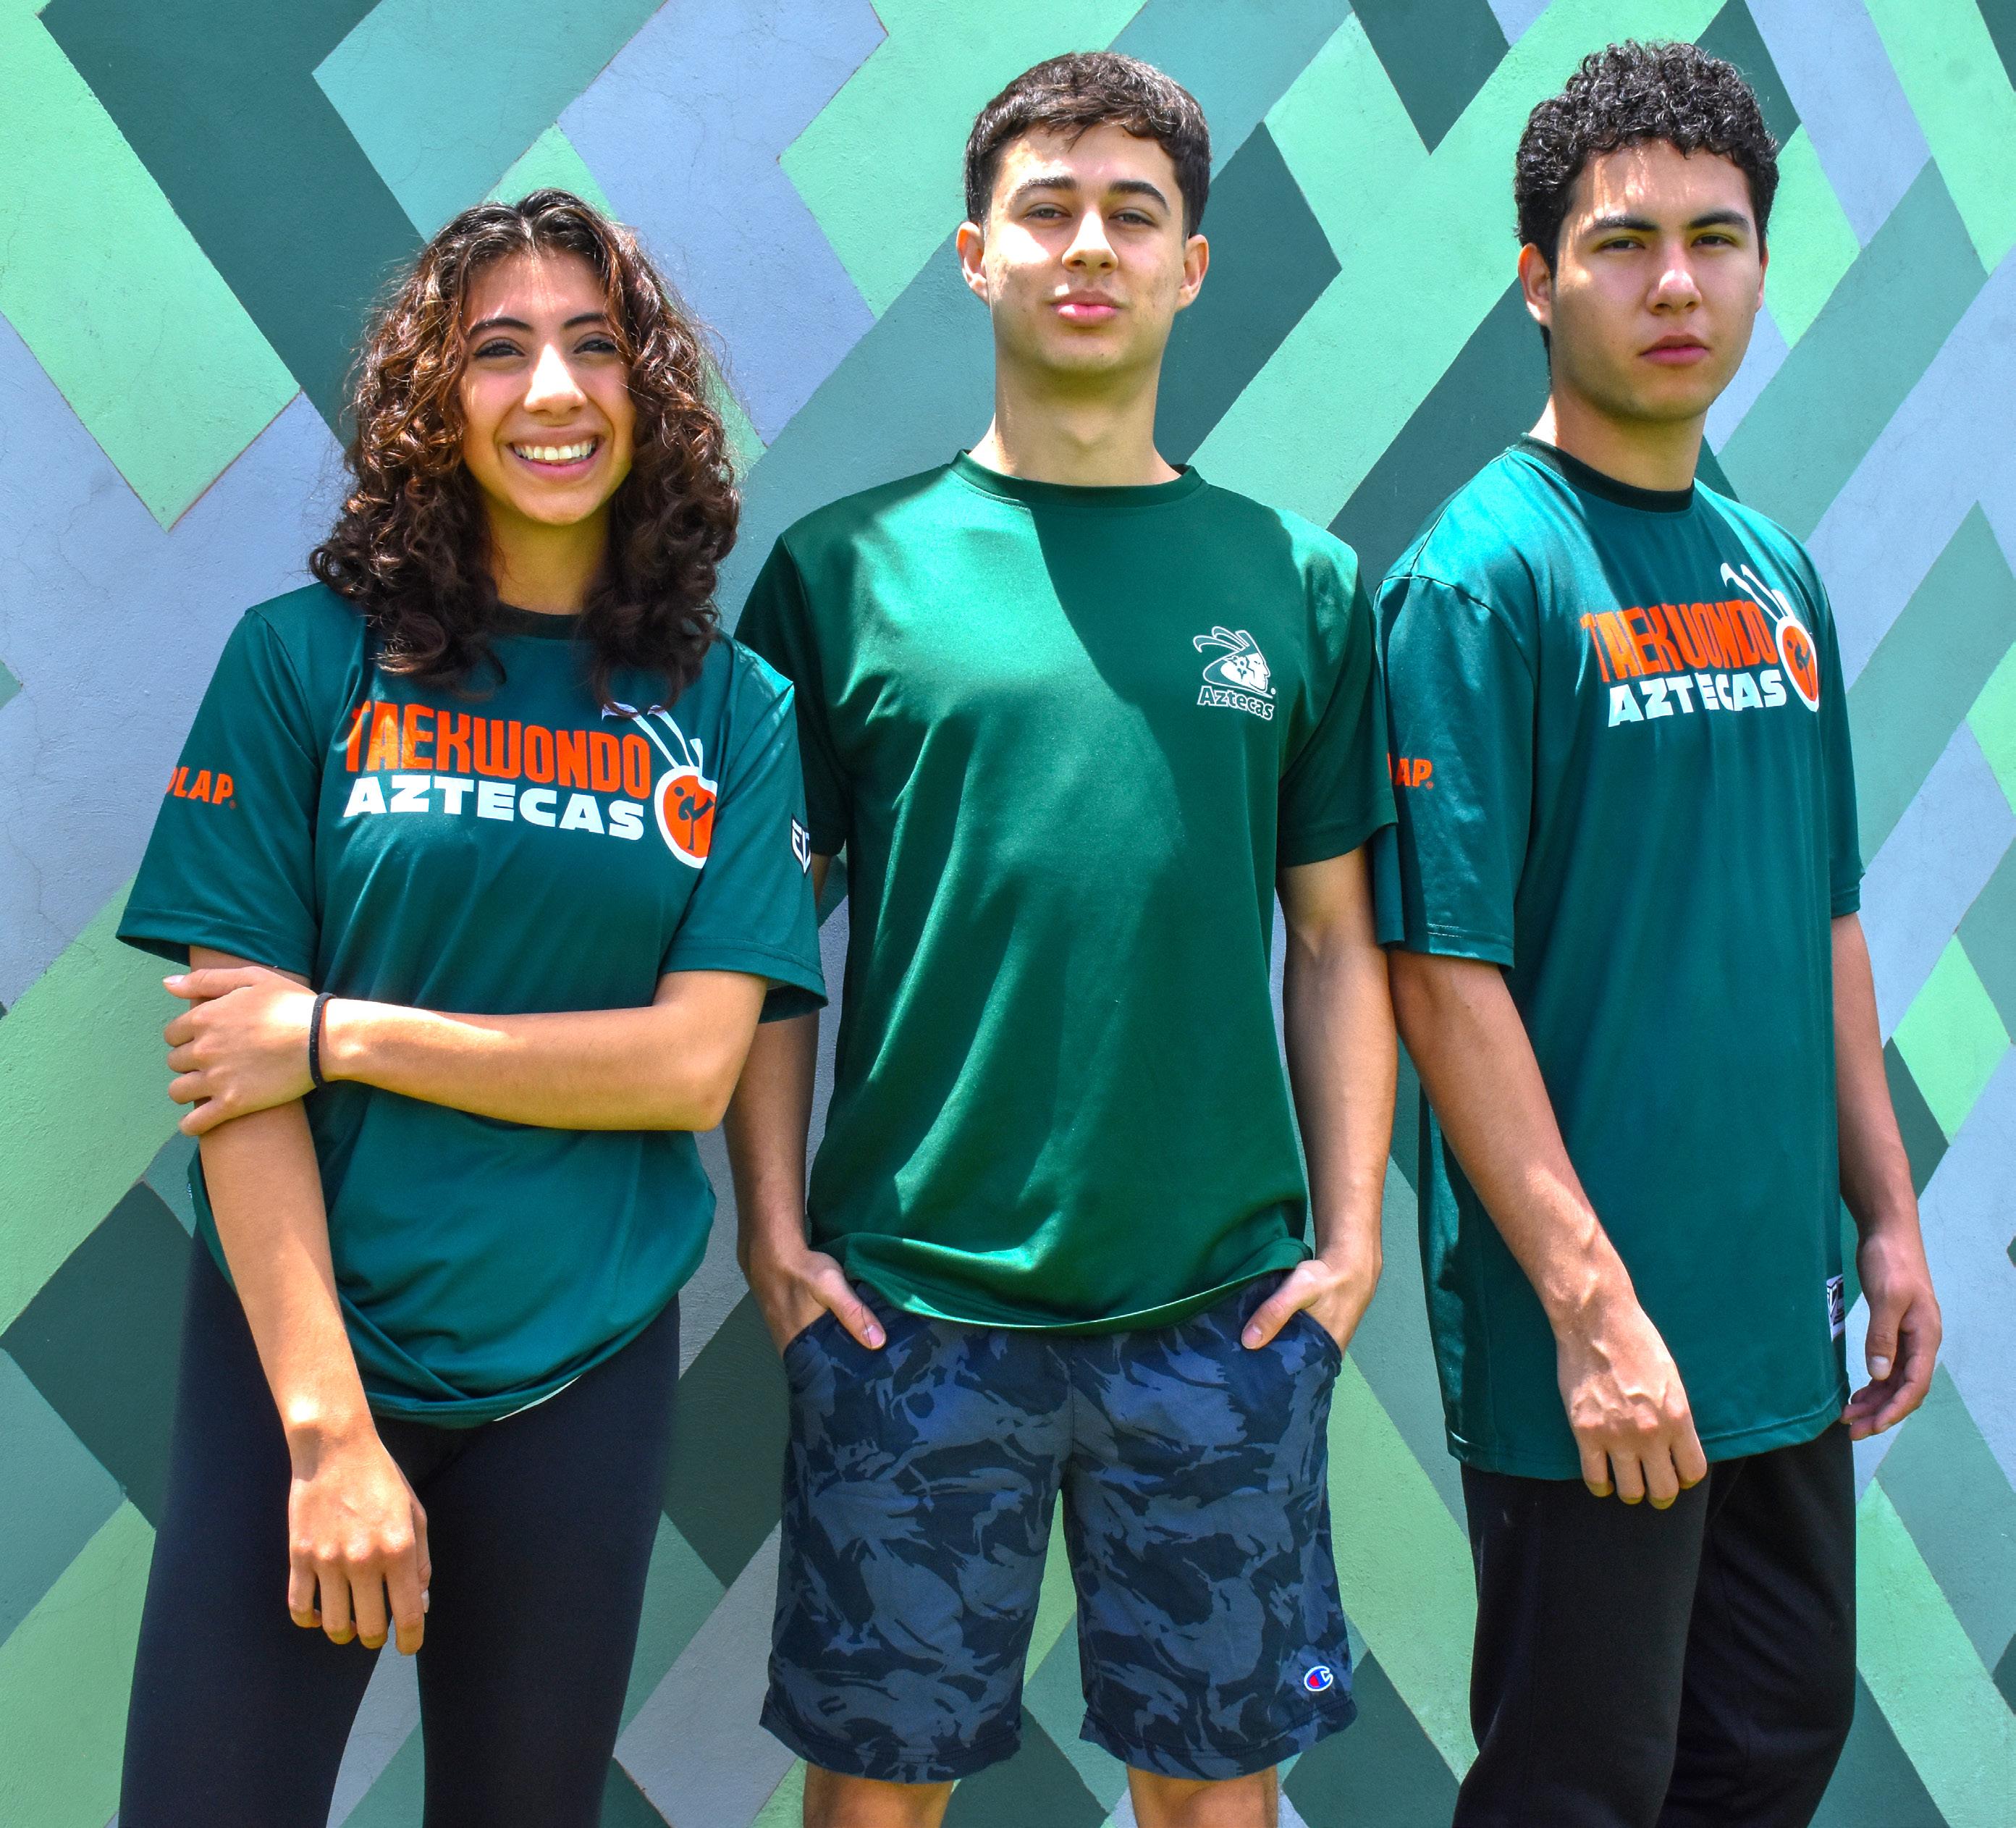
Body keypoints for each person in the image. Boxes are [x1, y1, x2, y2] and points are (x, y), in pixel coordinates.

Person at [727, 52, 1396, 1828]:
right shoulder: (841, 574)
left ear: (1190, 265)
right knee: (876, 1798)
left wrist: (1349, 1245)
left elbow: (1337, 943)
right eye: (1047, 210)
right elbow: (764, 943)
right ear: (975, 256)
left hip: (1220, 1312)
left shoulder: (1295, 583)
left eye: (1132, 214)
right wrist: (774, 1233)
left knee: (1211, 1799)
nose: (1088, 246)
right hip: (910, 1310)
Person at [114, 190, 824, 1827]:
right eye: (499, 351)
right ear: (433, 400)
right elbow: (230, 1077)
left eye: (595, 346)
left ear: (649, 393)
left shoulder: (734, 707)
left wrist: (332, 1031)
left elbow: (688, 1066)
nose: (552, 390)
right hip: (300, 1352)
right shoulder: (301, 664)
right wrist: (326, 1438)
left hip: (580, 1357)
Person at [1374, 43, 1941, 1828]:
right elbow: (1439, 976)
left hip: (1776, 1319)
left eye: (1715, 239)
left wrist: (1887, 1214)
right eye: (1622, 244)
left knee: (1768, 1749)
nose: (1675, 283)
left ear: (1763, 266)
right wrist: (1591, 1306)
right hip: (1601, 1349)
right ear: (1536, 282)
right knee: (1580, 1786)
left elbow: (1823, 917)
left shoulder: (1776, 572)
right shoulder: (1477, 578)